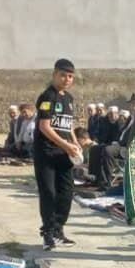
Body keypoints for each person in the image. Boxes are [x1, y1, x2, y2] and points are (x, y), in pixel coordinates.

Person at [33, 59, 81, 250]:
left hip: (64, 155)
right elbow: (44, 127)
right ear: (54, 74)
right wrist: (66, 145)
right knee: (49, 193)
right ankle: (48, 233)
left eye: (70, 76)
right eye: (63, 75)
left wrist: (74, 143)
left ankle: (58, 230)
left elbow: (68, 124)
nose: (67, 79)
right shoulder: (47, 97)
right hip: (46, 153)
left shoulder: (68, 98)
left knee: (66, 193)